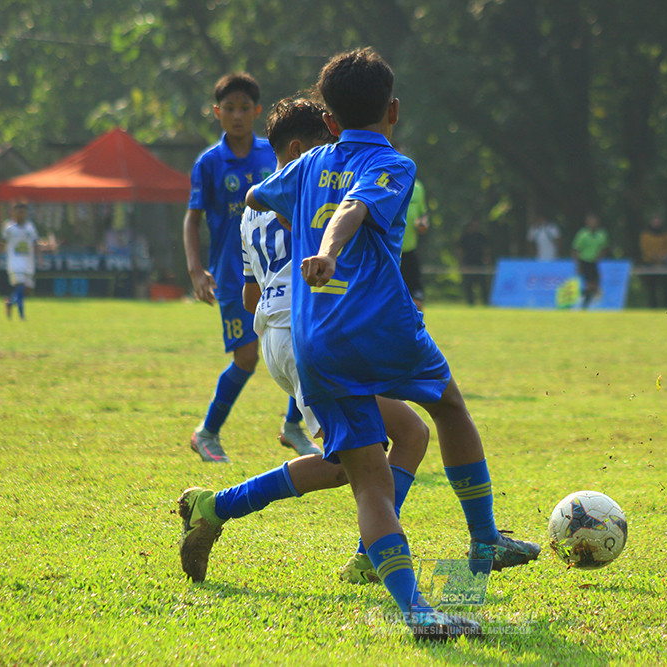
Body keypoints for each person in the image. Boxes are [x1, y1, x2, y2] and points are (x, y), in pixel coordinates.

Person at [246, 47, 539, 640]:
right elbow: (354, 207)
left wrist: (299, 210)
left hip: (317, 341)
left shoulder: (306, 164)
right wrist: (327, 249)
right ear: (394, 110)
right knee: (448, 406)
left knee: (370, 479)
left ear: (328, 121)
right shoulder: (395, 165)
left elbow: (257, 197)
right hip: (381, 326)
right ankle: (483, 539)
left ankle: (418, 613)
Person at [178, 95, 430, 587]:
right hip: (309, 335)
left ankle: (367, 553)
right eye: (326, 146)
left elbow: (250, 294)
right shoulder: (306, 194)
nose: (334, 158)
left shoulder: (256, 204)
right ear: (299, 148)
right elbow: (335, 262)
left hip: (276, 335)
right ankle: (218, 506)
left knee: (408, 435)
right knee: (354, 464)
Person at [183, 72, 317, 463]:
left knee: (303, 340)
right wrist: (195, 269)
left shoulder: (272, 154)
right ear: (217, 113)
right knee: (246, 357)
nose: (237, 115)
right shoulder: (209, 163)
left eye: (245, 108)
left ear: (257, 111)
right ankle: (206, 432)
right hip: (233, 273)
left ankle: (293, 425)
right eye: (229, 109)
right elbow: (193, 217)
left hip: (283, 270)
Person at [0, 202, 52, 320]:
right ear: (14, 213)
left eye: (23, 212)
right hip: (14, 262)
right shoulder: (9, 228)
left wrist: (40, 258)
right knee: (20, 287)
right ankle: (22, 316)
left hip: (28, 262)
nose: (21, 214)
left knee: (26, 289)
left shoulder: (30, 227)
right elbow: (2, 242)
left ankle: (10, 302)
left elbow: (35, 244)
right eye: (19, 212)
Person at [400, 178, 430, 311]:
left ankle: (416, 330)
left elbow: (423, 215)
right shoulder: (384, 181)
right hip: (387, 253)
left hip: (409, 252)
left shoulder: (417, 187)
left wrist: (423, 224)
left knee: (417, 299)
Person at [572, 212, 609, 308]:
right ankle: (584, 300)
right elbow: (576, 249)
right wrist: (578, 264)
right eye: (590, 221)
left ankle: (584, 297)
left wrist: (600, 256)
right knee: (590, 283)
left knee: (595, 284)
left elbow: (604, 247)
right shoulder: (583, 234)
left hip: (594, 261)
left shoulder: (601, 234)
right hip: (585, 260)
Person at [639, 214, 667, 309]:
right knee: (652, 287)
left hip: (664, 263)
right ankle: (653, 306)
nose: (656, 223)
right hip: (650, 262)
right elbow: (644, 248)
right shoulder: (645, 234)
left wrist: (662, 257)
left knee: (666, 286)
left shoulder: (666, 233)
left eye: (658, 221)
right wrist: (654, 257)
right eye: (654, 221)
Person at [458, 218, 490, 306]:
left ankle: (485, 302)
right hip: (468, 263)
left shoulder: (481, 237)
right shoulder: (465, 237)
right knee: (469, 284)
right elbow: (460, 251)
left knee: (483, 284)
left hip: (479, 263)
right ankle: (470, 302)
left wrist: (486, 259)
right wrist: (461, 263)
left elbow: (486, 249)